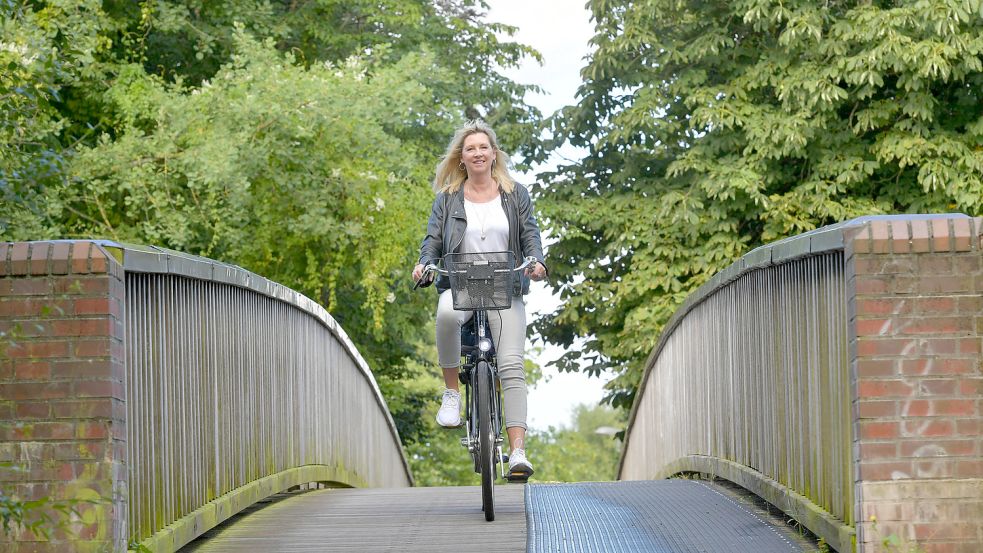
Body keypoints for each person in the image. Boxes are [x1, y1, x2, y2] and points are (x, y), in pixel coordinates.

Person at [412, 120, 547, 478]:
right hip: (463, 284)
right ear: (461, 157)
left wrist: (537, 262)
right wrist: (425, 263)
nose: (477, 153)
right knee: (444, 315)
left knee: (512, 365)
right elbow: (433, 240)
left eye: (483, 147)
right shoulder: (448, 199)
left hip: (504, 285)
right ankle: (452, 393)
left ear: (493, 154)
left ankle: (518, 452)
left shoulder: (515, 193)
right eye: (470, 148)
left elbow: (530, 233)